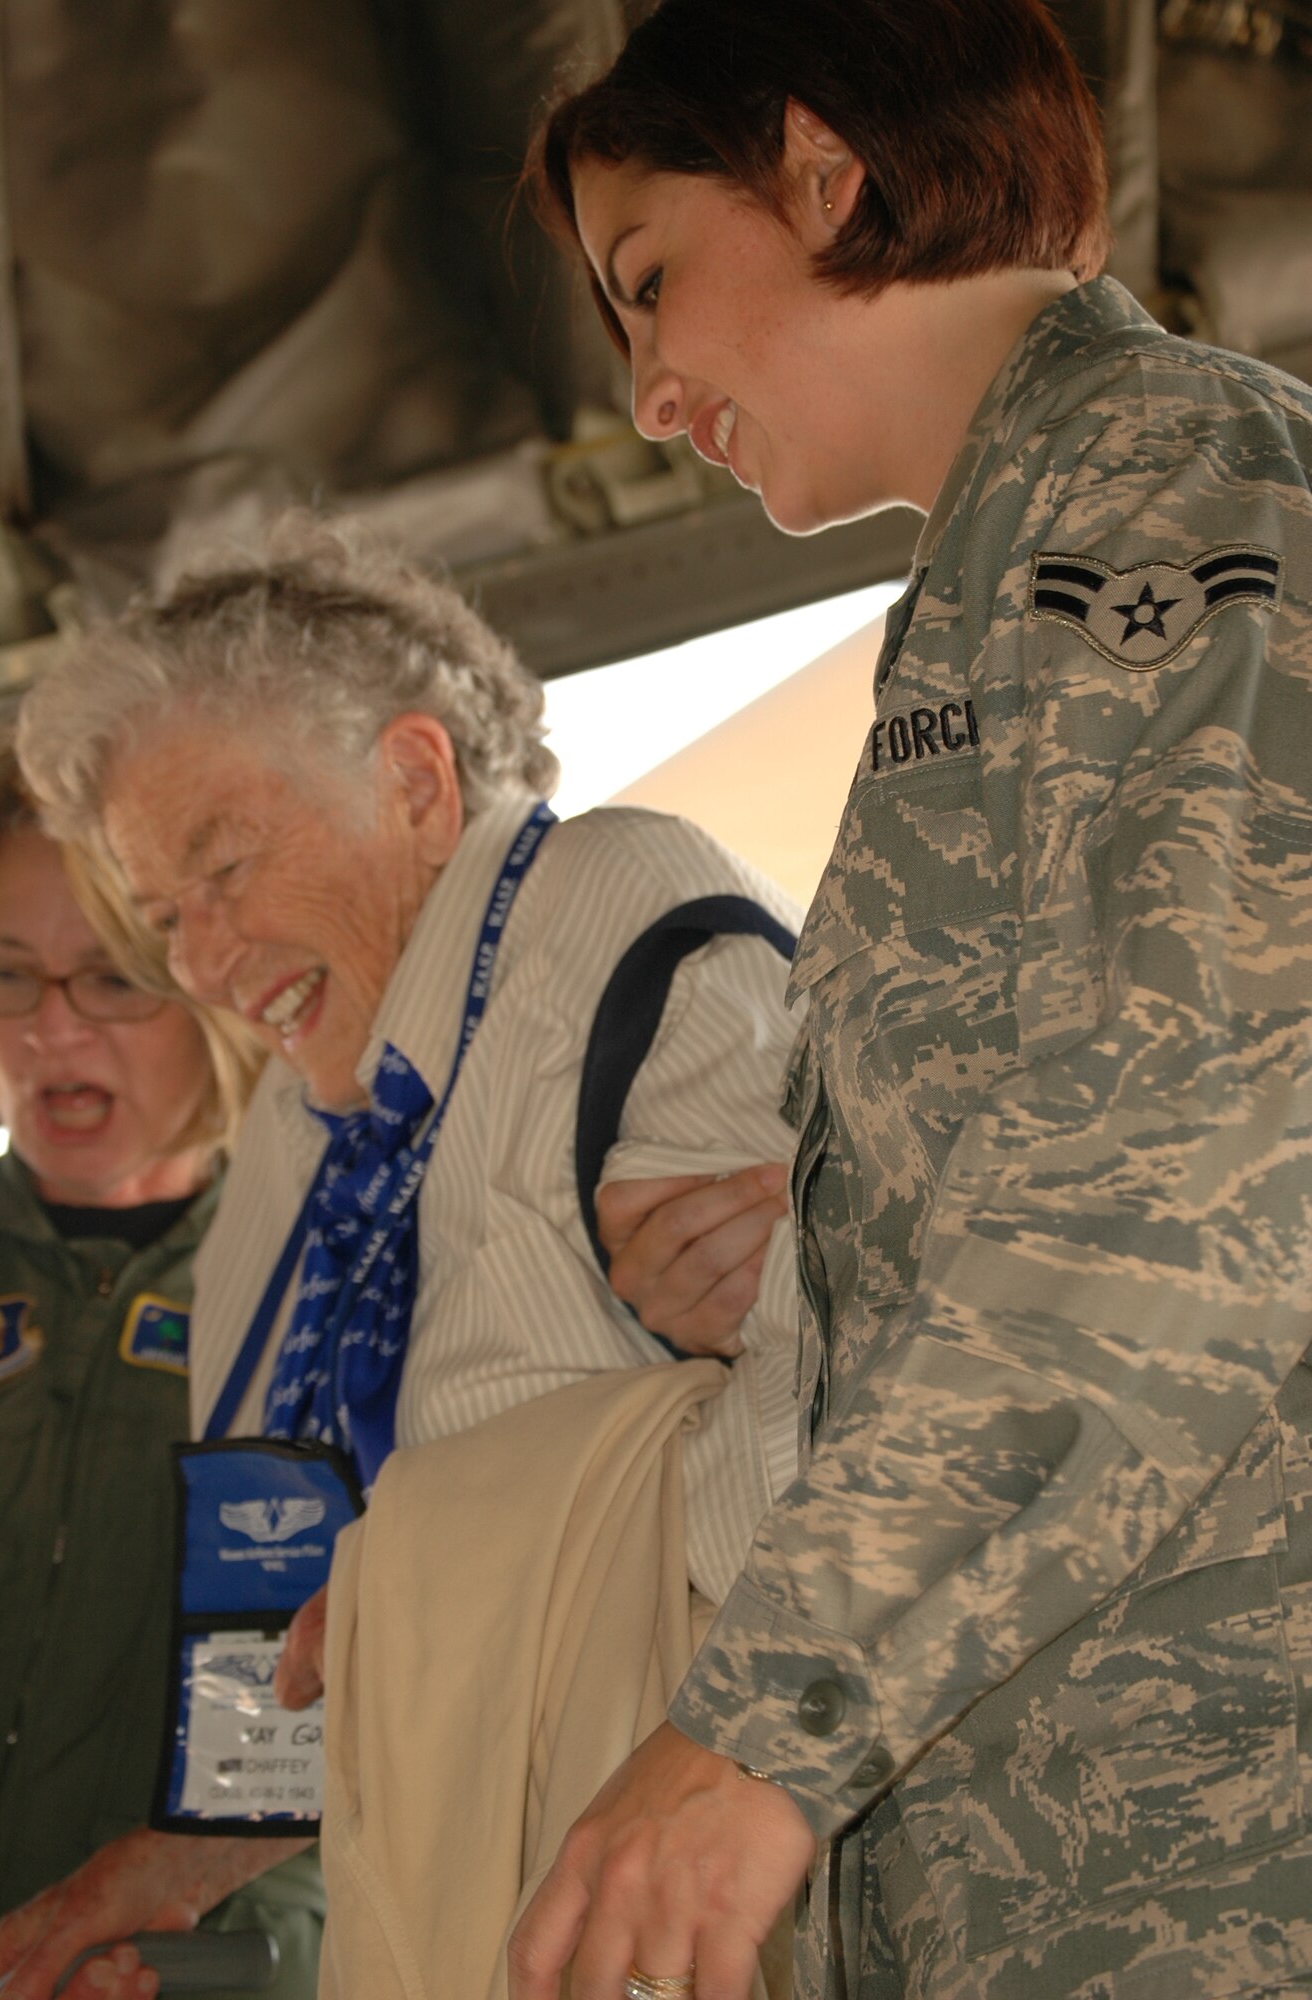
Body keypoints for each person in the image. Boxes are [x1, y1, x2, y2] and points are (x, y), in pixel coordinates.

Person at [507, 3, 1312, 1997]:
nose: (648, 391)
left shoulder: (1164, 483)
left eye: (651, 282)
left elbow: (1180, 1158)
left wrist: (765, 1729)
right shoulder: (1019, 555)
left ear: (816, 169)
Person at [9, 513, 804, 1999]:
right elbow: (308, 1617)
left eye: (225, 866)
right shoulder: (290, 1148)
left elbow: (832, 1416)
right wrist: (184, 1862)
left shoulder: (608, 907)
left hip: (680, 1893)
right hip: (462, 1910)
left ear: (419, 783)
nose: (193, 959)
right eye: (164, 915)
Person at [0, 718, 325, 2000]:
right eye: (5, 972)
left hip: (203, 1969)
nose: (51, 1032)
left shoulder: (328, 1282)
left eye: (113, 979)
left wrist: (221, 1950)